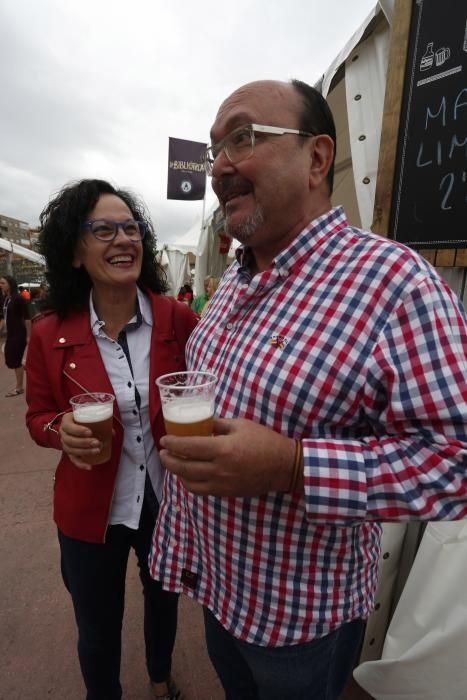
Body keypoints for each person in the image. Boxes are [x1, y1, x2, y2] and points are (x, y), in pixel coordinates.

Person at [148, 80, 467, 700]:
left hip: (302, 620)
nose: (219, 166)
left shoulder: (397, 285)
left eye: (243, 138)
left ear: (318, 159)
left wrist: (295, 465)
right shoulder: (235, 284)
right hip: (217, 586)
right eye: (215, 150)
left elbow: (456, 464)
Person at [25, 179, 198, 700]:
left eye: (131, 228)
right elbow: (37, 416)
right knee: (96, 626)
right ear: (75, 252)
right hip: (87, 508)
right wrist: (63, 431)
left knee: (163, 599)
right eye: (102, 229)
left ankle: (160, 673)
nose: (123, 239)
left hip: (165, 499)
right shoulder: (48, 331)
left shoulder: (179, 319)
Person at [0, 274, 31, 397]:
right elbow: (3, 318)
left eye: (3, 283)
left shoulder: (18, 298)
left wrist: (29, 336)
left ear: (10, 284)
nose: (0, 285)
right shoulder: (6, 298)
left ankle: (19, 388)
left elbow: (27, 318)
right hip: (11, 334)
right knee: (9, 356)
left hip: (19, 334)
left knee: (14, 360)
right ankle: (25, 366)